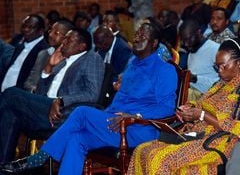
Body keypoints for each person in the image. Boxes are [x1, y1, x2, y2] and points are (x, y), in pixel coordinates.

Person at [0, 22, 178, 175]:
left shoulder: (165, 70)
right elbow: (120, 100)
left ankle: (38, 159)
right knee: (76, 138)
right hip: (112, 122)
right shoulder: (132, 65)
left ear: (154, 43)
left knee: (82, 112)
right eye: (137, 33)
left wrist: (136, 116)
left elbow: (167, 108)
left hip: (137, 128)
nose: (137, 37)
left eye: (143, 36)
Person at [126, 38, 240, 174]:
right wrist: (188, 109)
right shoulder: (220, 84)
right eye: (217, 66)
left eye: (223, 65)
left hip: (218, 143)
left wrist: (202, 115)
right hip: (196, 135)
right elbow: (201, 103)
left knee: (159, 158)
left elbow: (239, 130)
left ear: (239, 63)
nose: (219, 71)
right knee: (142, 150)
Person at [0, 28, 104, 163]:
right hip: (45, 109)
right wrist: (48, 68)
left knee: (11, 93)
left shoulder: (91, 58)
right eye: (64, 38)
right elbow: (40, 94)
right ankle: (3, 165)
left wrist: (61, 100)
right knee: (10, 113)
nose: (63, 43)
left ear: (81, 46)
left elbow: (92, 93)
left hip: (63, 114)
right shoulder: (61, 62)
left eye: (69, 40)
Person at [0, 14, 49, 92]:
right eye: (24, 26)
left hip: (18, 93)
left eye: (30, 27)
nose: (25, 29)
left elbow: (33, 81)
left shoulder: (43, 50)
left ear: (41, 31)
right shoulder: (20, 43)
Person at [23, 19, 74, 92]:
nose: (50, 35)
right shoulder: (43, 53)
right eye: (50, 31)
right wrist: (34, 90)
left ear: (67, 38)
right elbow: (30, 82)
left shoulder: (69, 58)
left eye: (56, 33)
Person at [180, 20, 219, 101]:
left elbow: (223, 84)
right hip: (191, 93)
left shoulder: (215, 50)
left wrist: (195, 79)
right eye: (183, 40)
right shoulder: (192, 49)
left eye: (189, 38)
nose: (186, 44)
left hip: (209, 97)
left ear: (199, 32)